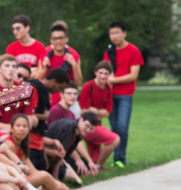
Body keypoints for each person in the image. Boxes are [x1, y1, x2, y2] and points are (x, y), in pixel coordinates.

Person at [4, 114, 86, 190]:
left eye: (25, 126)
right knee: (44, 176)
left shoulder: (21, 145)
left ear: (29, 129)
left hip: (20, 179)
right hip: (12, 181)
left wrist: (55, 181)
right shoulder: (9, 144)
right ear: (11, 128)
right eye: (18, 126)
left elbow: (33, 171)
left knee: (44, 175)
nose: (21, 129)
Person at [103, 21, 144, 168]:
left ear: (124, 33)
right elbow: (106, 71)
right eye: (111, 33)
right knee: (114, 128)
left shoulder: (134, 51)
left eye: (117, 33)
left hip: (125, 94)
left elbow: (133, 75)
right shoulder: (109, 52)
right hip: (110, 95)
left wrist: (113, 79)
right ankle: (116, 159)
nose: (114, 36)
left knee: (122, 127)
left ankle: (121, 159)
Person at [79, 61, 120, 168]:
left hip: (97, 124)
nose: (103, 76)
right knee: (114, 139)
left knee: (94, 159)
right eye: (100, 73)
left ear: (110, 75)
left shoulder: (108, 89)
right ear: (95, 73)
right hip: (87, 127)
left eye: (106, 73)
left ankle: (95, 166)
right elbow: (83, 111)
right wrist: (99, 112)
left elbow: (107, 113)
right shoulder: (88, 86)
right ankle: (97, 165)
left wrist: (94, 110)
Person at [27, 68, 70, 171]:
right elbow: (25, 115)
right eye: (60, 87)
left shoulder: (44, 91)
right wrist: (44, 116)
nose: (59, 91)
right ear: (53, 81)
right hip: (29, 142)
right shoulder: (33, 89)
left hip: (38, 141)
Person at [0, 55, 37, 134]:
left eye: (14, 66)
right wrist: (13, 128)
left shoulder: (24, 90)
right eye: (7, 66)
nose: (11, 69)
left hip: (20, 134)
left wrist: (17, 129)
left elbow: (29, 120)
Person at [47, 113, 99, 179]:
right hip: (46, 158)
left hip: (57, 158)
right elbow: (58, 154)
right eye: (87, 126)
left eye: (91, 129)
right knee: (72, 174)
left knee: (85, 166)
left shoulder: (77, 133)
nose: (88, 130)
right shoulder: (69, 128)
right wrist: (56, 180)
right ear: (81, 119)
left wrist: (90, 161)